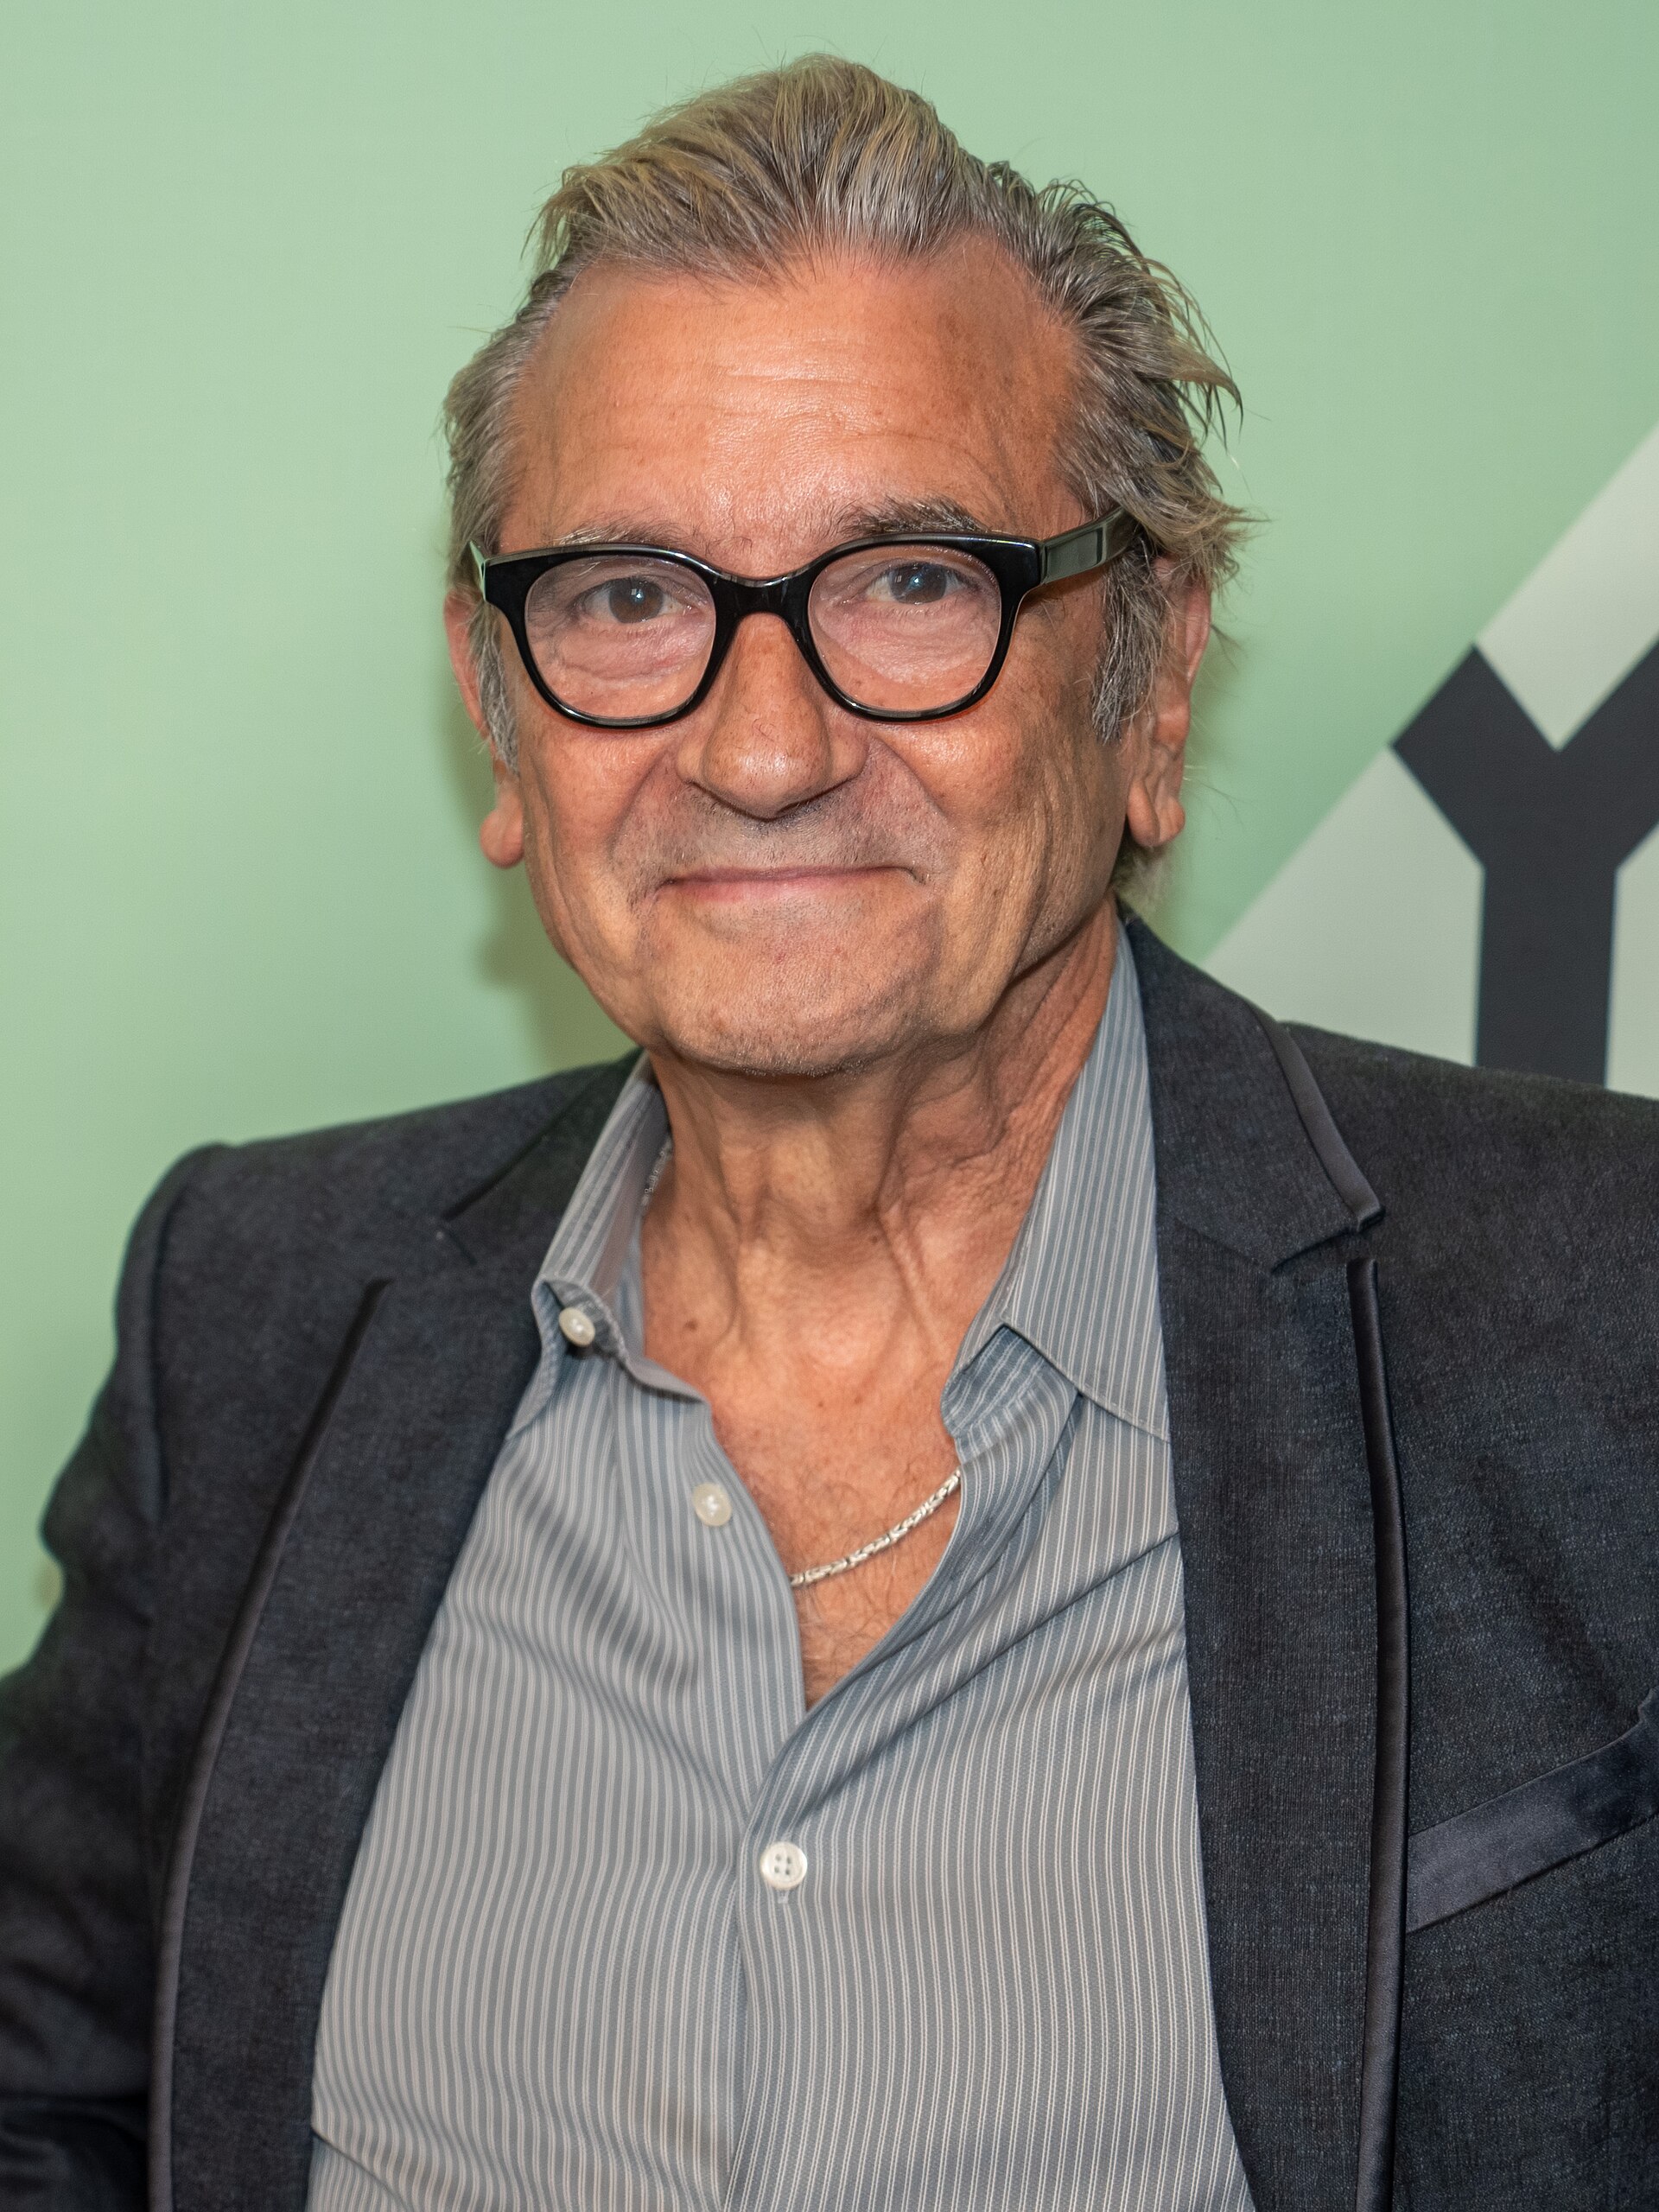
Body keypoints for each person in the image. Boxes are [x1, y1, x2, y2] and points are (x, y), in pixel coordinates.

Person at [2, 54, 1656, 2212]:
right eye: (625, 598)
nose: (762, 743)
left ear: (1149, 689)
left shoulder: (1608, 1321)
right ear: (497, 715)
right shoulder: (254, 1309)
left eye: (908, 583)